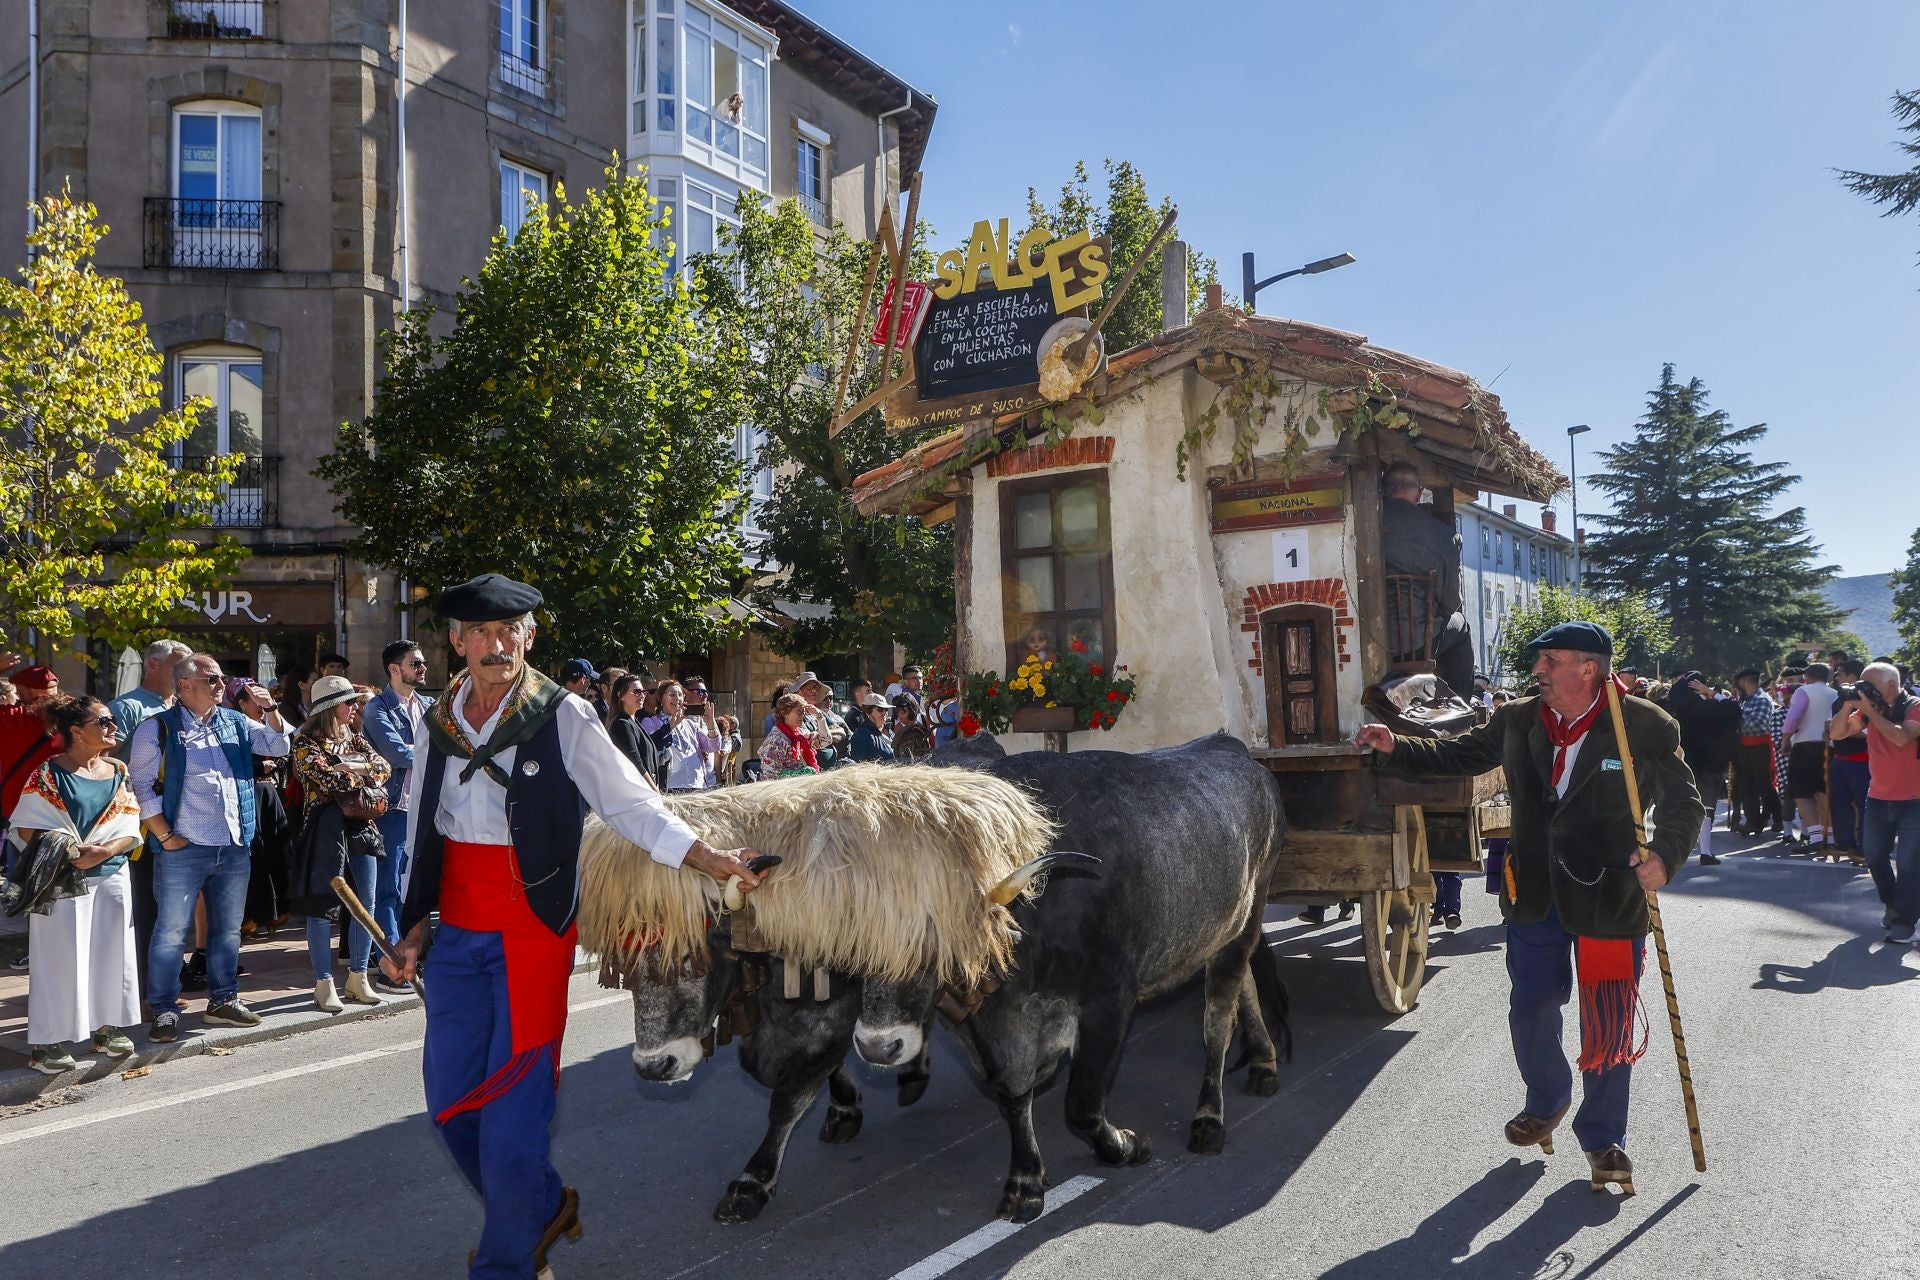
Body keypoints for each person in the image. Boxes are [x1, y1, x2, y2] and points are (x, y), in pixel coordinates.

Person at [381, 573, 763, 1279]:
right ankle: (546, 1204)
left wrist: (704, 856)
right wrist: (412, 927)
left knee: (512, 1121)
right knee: (451, 1109)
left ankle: (508, 1264)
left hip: (532, 928)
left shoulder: (561, 715)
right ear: (457, 642)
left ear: (531, 635)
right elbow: (420, 825)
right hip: (457, 933)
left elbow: (630, 804)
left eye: (511, 632)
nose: (498, 646)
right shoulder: (436, 721)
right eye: (483, 633)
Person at [1356, 620, 1701, 1193]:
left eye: (1550, 660)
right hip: (1533, 891)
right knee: (1534, 1006)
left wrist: (1665, 856)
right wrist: (1397, 746)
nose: (1537, 669)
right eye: (1539, 661)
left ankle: (1604, 1138)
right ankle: (1548, 1100)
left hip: (1609, 897)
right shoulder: (1518, 718)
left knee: (1608, 1017)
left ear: (1588, 668)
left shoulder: (1642, 723)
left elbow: (1684, 803)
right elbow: (1461, 754)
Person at [127, 653, 292, 1043]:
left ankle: (223, 1000)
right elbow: (140, 785)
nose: (222, 685)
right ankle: (165, 1008)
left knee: (227, 931)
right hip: (182, 847)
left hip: (233, 845)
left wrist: (269, 708)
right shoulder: (158, 729)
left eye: (222, 678)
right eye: (213, 678)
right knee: (170, 932)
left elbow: (280, 745)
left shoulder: (235, 720)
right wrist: (165, 835)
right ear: (185, 685)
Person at [6, 695, 144, 1073]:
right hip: (62, 878)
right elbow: (26, 825)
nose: (112, 728)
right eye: (103, 722)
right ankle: (47, 1044)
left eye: (112, 721)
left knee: (113, 953)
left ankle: (107, 1029)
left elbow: (130, 823)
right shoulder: (47, 774)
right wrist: (69, 848)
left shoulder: (118, 770)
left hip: (112, 871)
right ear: (76, 731)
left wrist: (105, 851)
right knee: (59, 959)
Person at [288, 676, 391, 1011]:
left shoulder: (356, 738)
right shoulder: (304, 743)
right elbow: (326, 777)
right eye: (349, 703)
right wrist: (352, 770)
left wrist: (350, 767)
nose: (354, 709)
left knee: (367, 903)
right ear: (331, 708)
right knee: (322, 907)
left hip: (360, 825)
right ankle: (323, 983)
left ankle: (358, 977)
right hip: (323, 829)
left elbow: (384, 768)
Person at [1828, 662, 1920, 942]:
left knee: (1909, 865)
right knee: (1875, 858)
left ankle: (1906, 922)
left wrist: (1867, 709)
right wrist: (1847, 704)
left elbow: (1902, 737)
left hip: (1914, 800)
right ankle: (1894, 906)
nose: (1864, 691)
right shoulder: (1871, 709)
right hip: (1878, 797)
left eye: (1870, 685)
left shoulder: (1914, 706)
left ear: (1891, 685)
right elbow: (1837, 734)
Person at [366, 640, 435, 986]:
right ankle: (390, 964)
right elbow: (398, 754)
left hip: (426, 809)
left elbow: (450, 743)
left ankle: (415, 955)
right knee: (389, 889)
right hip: (393, 809)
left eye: (422, 663)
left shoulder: (429, 705)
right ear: (395, 668)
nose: (423, 668)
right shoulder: (376, 708)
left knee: (417, 886)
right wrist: (431, 753)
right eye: (416, 663)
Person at [1379, 461, 1471, 693]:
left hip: (1373, 638)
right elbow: (1452, 602)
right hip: (1420, 645)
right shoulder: (1444, 536)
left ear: (1384, 489)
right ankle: (1458, 705)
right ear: (1419, 494)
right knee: (1461, 626)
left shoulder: (1366, 523)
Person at [1664, 672, 1740, 866]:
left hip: (1681, 762)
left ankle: (1674, 849)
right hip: (1708, 763)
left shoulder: (1672, 707)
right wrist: (1711, 693)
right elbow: (1733, 710)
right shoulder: (1710, 708)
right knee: (1705, 806)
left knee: (1682, 806)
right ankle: (1705, 851)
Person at [1781, 662, 1838, 850]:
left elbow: (1794, 716)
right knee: (1823, 789)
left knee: (1801, 791)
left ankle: (1814, 836)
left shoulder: (1804, 691)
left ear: (1807, 676)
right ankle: (1829, 836)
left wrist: (1785, 739)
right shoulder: (1835, 693)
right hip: (1829, 744)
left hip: (1805, 743)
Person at [1824, 659, 1871, 860]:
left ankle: (1865, 846)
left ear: (1852, 676)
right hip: (1840, 757)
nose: (1837, 678)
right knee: (1839, 802)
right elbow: (1836, 726)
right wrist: (1832, 729)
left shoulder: (1869, 698)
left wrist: (1845, 731)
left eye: (1840, 674)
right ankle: (1844, 843)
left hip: (1860, 760)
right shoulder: (1840, 698)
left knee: (1864, 805)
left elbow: (1869, 732)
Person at [640, 680, 720, 792]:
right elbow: (653, 747)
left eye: (680, 695)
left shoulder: (691, 723)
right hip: (671, 785)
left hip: (697, 783)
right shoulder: (650, 722)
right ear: (661, 699)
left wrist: (711, 725)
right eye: (672, 695)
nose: (677, 699)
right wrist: (670, 726)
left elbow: (713, 747)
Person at [1731, 668, 1783, 836]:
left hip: (1759, 747)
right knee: (1746, 785)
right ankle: (1753, 821)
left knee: (1764, 785)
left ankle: (1778, 816)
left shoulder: (1762, 699)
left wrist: (1736, 718)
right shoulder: (1745, 700)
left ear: (1746, 682)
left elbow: (1757, 725)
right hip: (1744, 747)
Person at [604, 673, 664, 788]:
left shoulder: (634, 722)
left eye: (643, 691)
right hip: (636, 793)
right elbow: (636, 763)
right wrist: (655, 791)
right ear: (620, 695)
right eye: (636, 692)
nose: (642, 696)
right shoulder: (621, 724)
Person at [759, 692, 822, 777]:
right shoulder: (776, 739)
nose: (802, 715)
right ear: (785, 713)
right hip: (785, 789)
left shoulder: (801, 734)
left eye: (803, 712)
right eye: (799, 711)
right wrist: (798, 774)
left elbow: (826, 740)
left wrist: (820, 717)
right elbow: (769, 775)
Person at [848, 692, 896, 763]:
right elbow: (859, 766)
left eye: (886, 709)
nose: (884, 712)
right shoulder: (862, 735)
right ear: (868, 711)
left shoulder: (890, 730)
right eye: (880, 709)